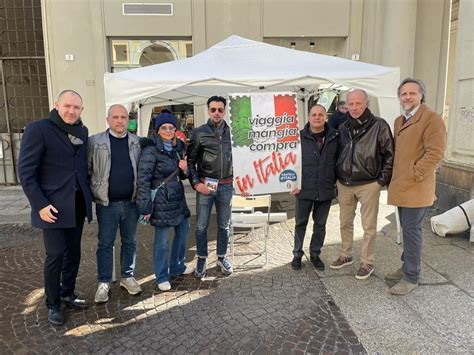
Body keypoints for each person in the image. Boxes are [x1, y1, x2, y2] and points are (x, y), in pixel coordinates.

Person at [18, 90, 92, 326]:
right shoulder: (38, 129)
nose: (71, 111)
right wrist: (40, 204)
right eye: (67, 106)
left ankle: (67, 293)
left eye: (76, 107)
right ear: (57, 105)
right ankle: (52, 303)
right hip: (52, 207)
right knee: (56, 255)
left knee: (74, 254)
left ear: (82, 110)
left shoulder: (83, 130)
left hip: (77, 205)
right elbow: (26, 173)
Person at [386, 78, 446, 295]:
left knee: (412, 231)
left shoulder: (431, 119)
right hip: (401, 186)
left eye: (412, 93)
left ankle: (411, 276)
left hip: (417, 186)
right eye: (404, 94)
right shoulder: (399, 120)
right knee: (405, 229)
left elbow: (436, 153)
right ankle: (406, 267)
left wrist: (415, 173)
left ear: (421, 95)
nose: (407, 97)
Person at [330, 89, 394, 279]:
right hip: (344, 183)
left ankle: (367, 262)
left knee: (368, 226)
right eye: (351, 104)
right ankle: (346, 254)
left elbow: (390, 154)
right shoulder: (343, 127)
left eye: (359, 103)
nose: (355, 107)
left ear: (366, 104)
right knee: (344, 223)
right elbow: (337, 154)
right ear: (346, 106)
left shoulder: (379, 125)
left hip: (368, 183)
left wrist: (380, 181)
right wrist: (336, 179)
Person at [88, 104, 142, 303]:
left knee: (130, 242)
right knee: (105, 243)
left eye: (123, 117)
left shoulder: (136, 142)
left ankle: (127, 277)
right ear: (108, 119)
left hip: (131, 202)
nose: (120, 121)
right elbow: (88, 169)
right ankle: (104, 281)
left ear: (128, 120)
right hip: (106, 203)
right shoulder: (95, 142)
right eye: (116, 117)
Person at [137, 111, 193, 291]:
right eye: (164, 128)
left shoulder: (179, 148)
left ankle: (178, 266)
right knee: (161, 241)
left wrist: (185, 170)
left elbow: (183, 175)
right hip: (161, 201)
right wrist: (145, 205)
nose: (168, 131)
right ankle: (161, 275)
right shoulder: (150, 150)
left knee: (183, 232)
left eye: (171, 127)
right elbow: (143, 179)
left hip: (178, 198)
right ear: (158, 130)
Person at [187, 96, 234, 278]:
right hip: (206, 186)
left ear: (224, 111)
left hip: (227, 186)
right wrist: (196, 183)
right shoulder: (199, 133)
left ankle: (221, 257)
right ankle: (202, 257)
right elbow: (190, 160)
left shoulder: (233, 133)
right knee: (201, 226)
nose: (216, 113)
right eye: (213, 109)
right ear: (208, 110)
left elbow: (242, 158)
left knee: (224, 225)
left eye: (220, 110)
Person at [290, 104, 339, 271]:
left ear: (325, 117)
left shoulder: (335, 137)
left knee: (320, 225)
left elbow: (339, 162)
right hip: (304, 189)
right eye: (314, 115)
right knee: (300, 223)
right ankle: (297, 254)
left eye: (320, 115)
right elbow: (290, 162)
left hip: (325, 189)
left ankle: (315, 254)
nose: (317, 117)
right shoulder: (299, 138)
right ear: (309, 117)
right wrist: (292, 184)